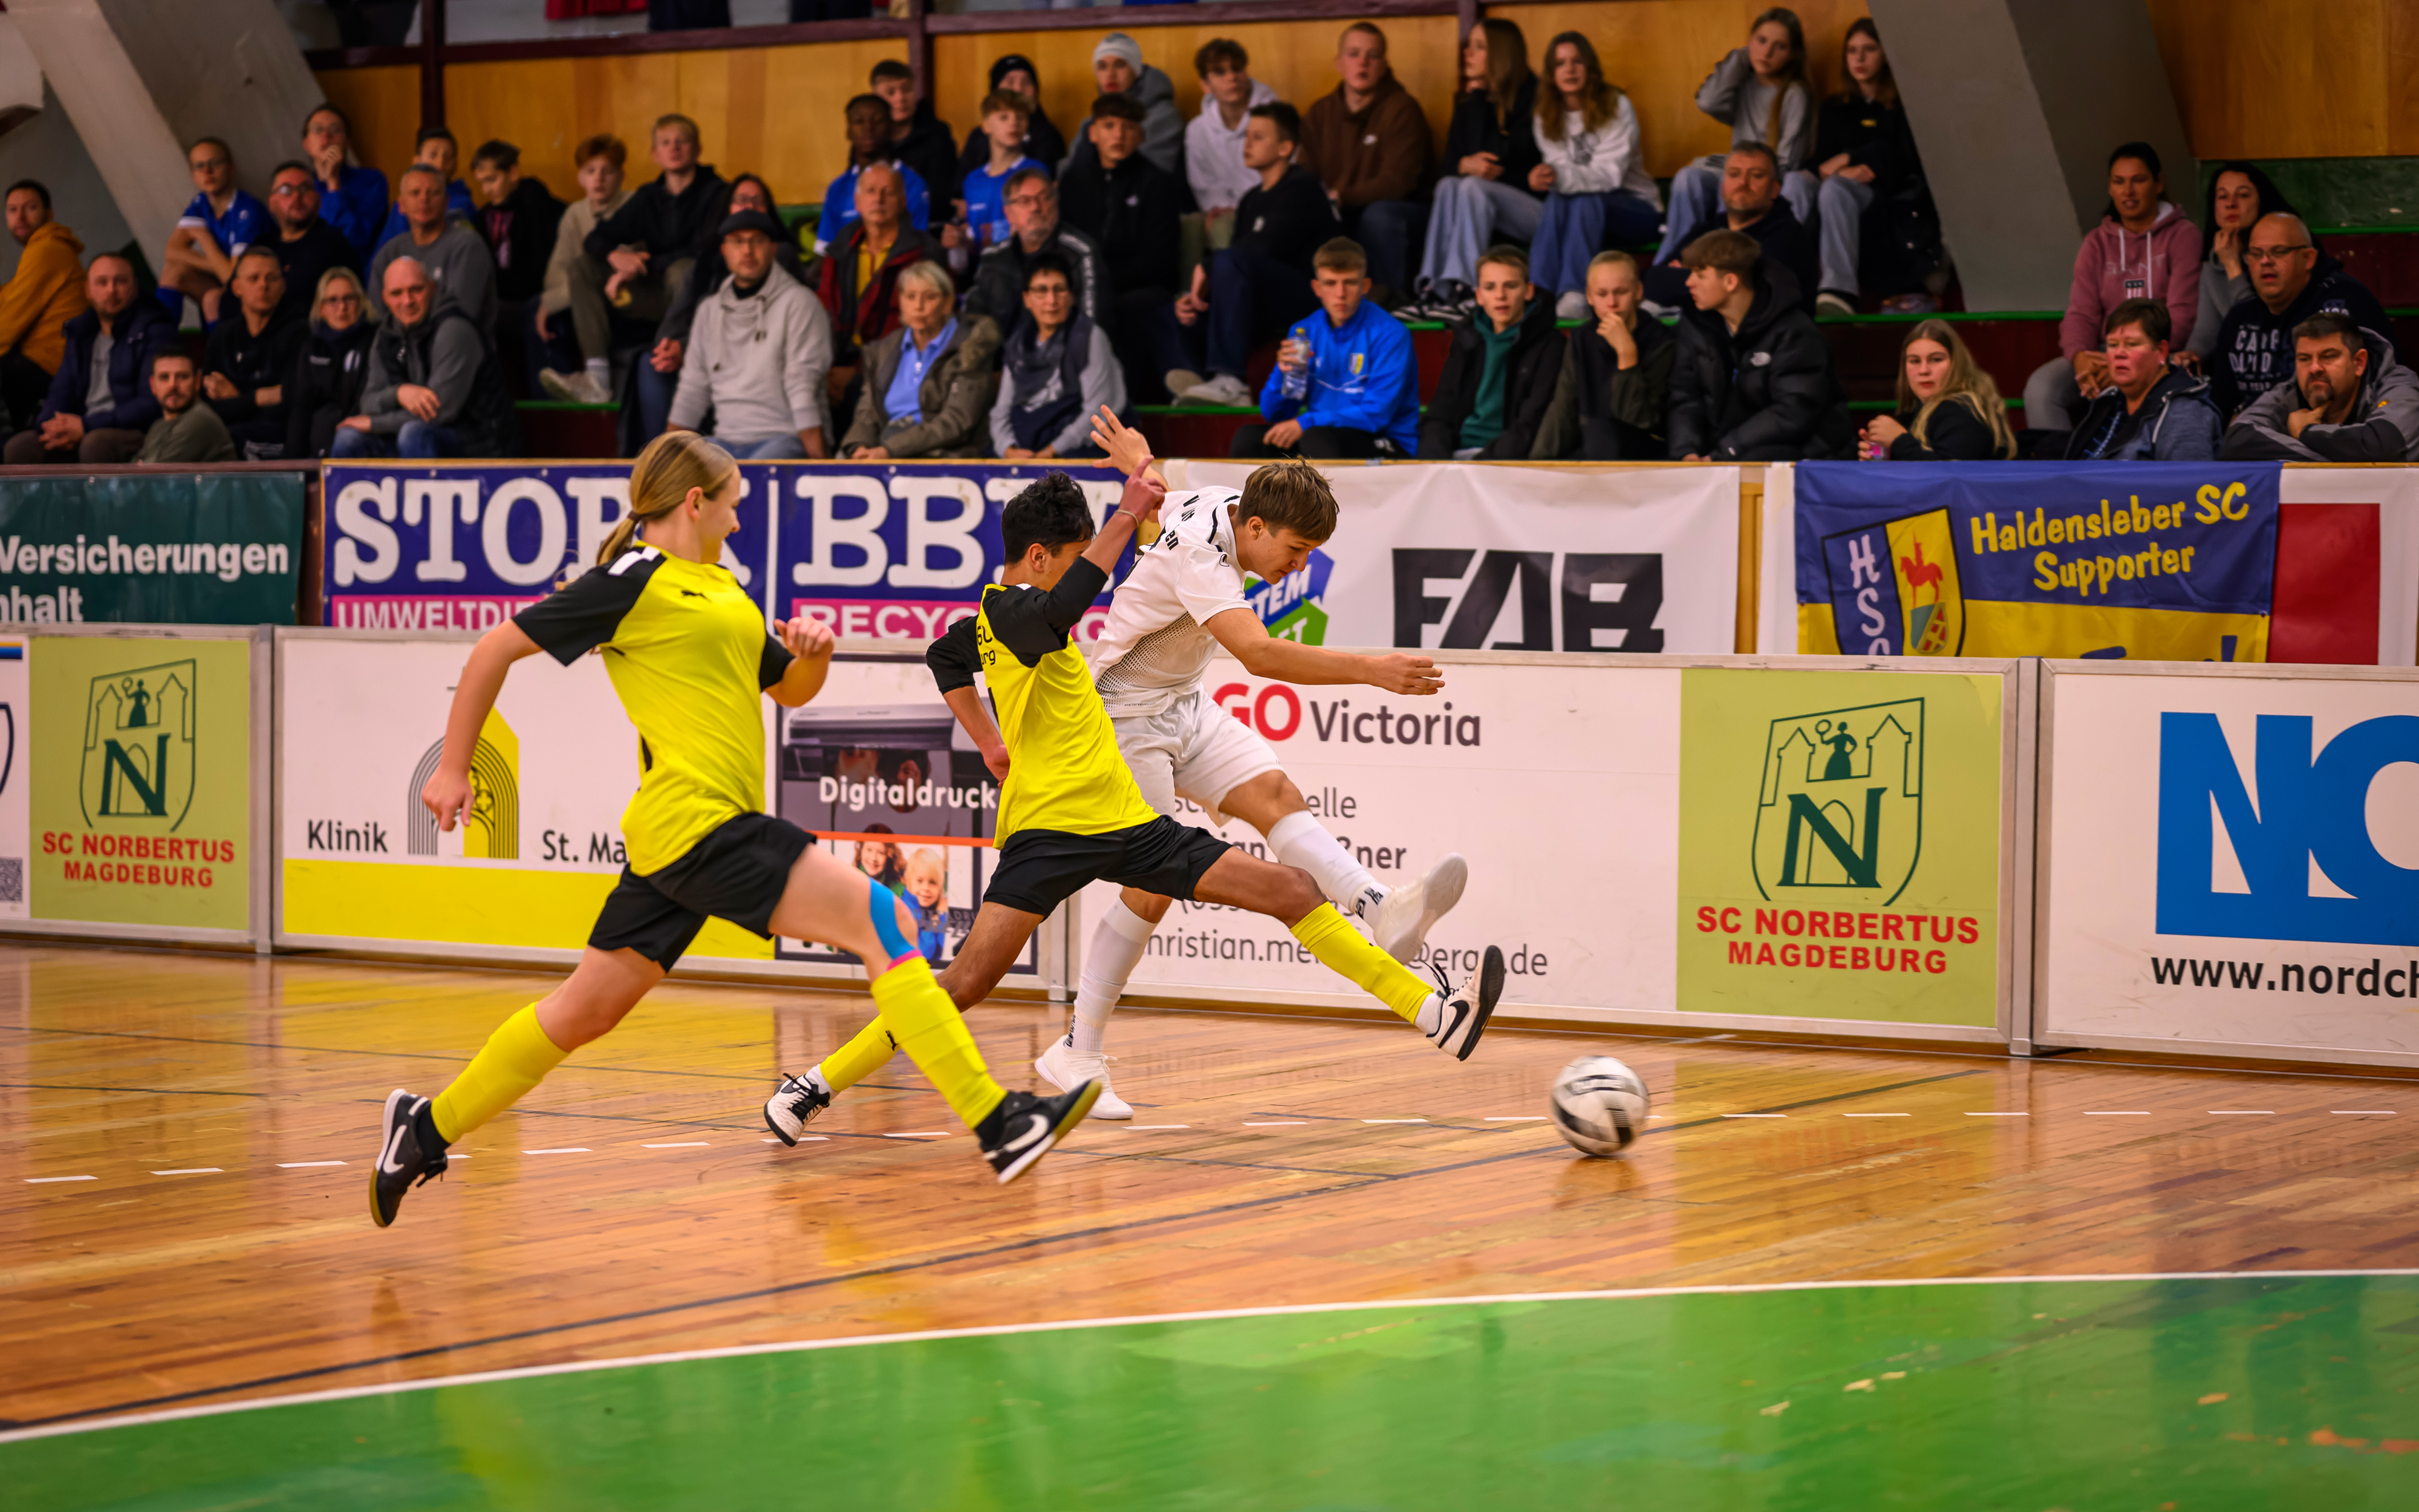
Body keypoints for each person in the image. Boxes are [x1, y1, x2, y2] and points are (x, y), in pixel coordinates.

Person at [368, 432, 1100, 1227]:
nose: (739, 520)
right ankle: (999, 1122)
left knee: (583, 1013)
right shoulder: (632, 581)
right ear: (695, 502)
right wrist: (451, 769)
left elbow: (789, 690)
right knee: (882, 918)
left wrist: (816, 656)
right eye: (733, 504)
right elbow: (492, 653)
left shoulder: (722, 588)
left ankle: (425, 1126)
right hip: (699, 822)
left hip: (679, 839)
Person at [764, 457, 1499, 1137]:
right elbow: (1060, 610)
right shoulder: (1015, 610)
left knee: (1290, 887)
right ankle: (814, 1083)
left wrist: (987, 738)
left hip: (1119, 822)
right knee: (965, 980)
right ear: (1043, 558)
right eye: (1075, 556)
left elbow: (944, 655)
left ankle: (1432, 1012)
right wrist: (1121, 520)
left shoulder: (984, 628)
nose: (1089, 574)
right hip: (1054, 829)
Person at [2020, 143, 2202, 436]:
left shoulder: (2184, 236)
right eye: (2119, 182)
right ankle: (2058, 475)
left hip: (2157, 353)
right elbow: (2080, 312)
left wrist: (2128, 357)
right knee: (2042, 388)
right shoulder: (2096, 242)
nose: (2128, 191)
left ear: (2159, 183)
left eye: (2138, 180)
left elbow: (2181, 315)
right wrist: (2080, 356)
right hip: (2102, 352)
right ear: (2110, 188)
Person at [1171, 103, 1339, 409]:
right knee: (1177, 309)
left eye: (1259, 137)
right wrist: (1195, 297)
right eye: (1247, 136)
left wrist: (1207, 266)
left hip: (1306, 298)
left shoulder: (1303, 189)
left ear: (1285, 148)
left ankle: (1232, 382)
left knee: (1228, 261)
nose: (1247, 144)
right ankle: (1195, 378)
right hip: (1259, 299)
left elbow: (1264, 248)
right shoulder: (1250, 200)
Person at [556, 114, 731, 404]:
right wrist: (616, 258)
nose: (674, 148)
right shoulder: (649, 196)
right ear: (655, 154)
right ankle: (597, 378)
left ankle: (670, 359)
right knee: (582, 267)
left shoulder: (717, 192)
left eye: (682, 141)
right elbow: (596, 238)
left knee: (682, 271)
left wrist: (638, 267)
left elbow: (705, 253)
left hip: (699, 295)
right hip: (653, 294)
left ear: (698, 149)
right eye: (665, 143)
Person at [639, 174, 804, 443]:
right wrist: (672, 347)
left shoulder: (777, 254)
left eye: (756, 201)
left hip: (751, 361)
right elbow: (674, 321)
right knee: (652, 363)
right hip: (698, 353)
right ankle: (659, 457)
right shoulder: (705, 259)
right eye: (740, 201)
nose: (748, 207)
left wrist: (688, 350)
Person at [662, 209, 832, 461]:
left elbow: (802, 384)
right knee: (684, 470)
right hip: (723, 441)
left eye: (757, 240)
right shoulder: (709, 310)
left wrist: (818, 461)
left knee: (753, 478)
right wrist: (665, 458)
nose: (748, 250)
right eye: (738, 241)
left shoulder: (800, 303)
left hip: (785, 438)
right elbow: (692, 389)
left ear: (773, 248)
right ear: (725, 250)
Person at [1666, 229, 1850, 461]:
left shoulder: (1794, 331)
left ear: (1730, 282)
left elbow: (1794, 410)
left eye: (1700, 275)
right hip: (1724, 454)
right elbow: (1685, 397)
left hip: (1806, 452)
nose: (1689, 282)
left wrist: (1726, 452)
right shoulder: (1695, 327)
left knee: (1760, 459)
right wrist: (1687, 452)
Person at [1653, 8, 1818, 265]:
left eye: (1780, 46)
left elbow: (1786, 163)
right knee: (1689, 178)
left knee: (1735, 182)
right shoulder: (1743, 83)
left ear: (1793, 54)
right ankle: (1670, 265)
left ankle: (1726, 264)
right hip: (1737, 168)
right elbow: (1707, 101)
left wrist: (1710, 164)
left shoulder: (1795, 93)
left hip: (1770, 179)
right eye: (1761, 41)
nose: (1767, 53)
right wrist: (1741, 58)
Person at [1232, 237, 1415, 460]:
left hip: (1385, 440)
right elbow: (1276, 413)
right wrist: (1284, 374)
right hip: (1320, 435)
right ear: (1317, 288)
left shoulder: (1391, 334)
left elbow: (1376, 414)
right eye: (1331, 283)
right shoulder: (1304, 331)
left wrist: (1307, 421)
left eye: (1349, 282)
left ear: (1365, 286)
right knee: (1248, 439)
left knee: (1317, 439)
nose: (1340, 293)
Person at [1526, 31, 1664, 323]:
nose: (1570, 69)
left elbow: (1610, 176)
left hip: (1637, 211)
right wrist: (1546, 176)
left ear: (1590, 67)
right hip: (1580, 215)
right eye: (1560, 63)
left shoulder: (1617, 105)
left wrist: (1558, 176)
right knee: (1561, 198)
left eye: (1577, 61)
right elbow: (1562, 174)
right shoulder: (1545, 115)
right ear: (1552, 74)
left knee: (1582, 197)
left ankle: (1574, 292)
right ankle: (1541, 293)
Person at [2209, 212, 2395, 423]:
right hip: (2256, 445)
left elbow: (2383, 388)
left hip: (2338, 443)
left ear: (2308, 258)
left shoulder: (2347, 301)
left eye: (2278, 252)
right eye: (2256, 253)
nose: (2265, 261)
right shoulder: (2239, 318)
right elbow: (2221, 408)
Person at [1060, 93, 1182, 403]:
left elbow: (1159, 260)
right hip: (1079, 286)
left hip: (1138, 290)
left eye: (1128, 127)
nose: (1119, 134)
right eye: (1109, 125)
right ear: (1092, 133)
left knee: (1126, 313)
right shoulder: (1073, 182)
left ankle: (1124, 409)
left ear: (1141, 135)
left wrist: (1104, 284)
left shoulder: (1158, 184)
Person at [334, 256, 519, 459]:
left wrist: (374, 424)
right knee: (348, 439)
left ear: (432, 288)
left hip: (481, 442)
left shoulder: (454, 329)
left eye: (416, 290)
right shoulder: (386, 335)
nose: (407, 301)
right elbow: (369, 402)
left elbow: (439, 412)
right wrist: (399, 394)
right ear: (385, 298)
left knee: (414, 434)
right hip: (416, 434)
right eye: (397, 293)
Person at [1415, 18, 1541, 316]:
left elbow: (1500, 159)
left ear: (1501, 55)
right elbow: (1447, 168)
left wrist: (1479, 168)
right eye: (1469, 46)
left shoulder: (1536, 98)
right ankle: (1434, 288)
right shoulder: (1472, 103)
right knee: (1450, 185)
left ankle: (1466, 287)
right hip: (1486, 207)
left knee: (1471, 185)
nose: (1467, 54)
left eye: (1479, 47)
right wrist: (1463, 162)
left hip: (1539, 211)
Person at [1300, 23, 1431, 307]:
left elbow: (1398, 182)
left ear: (1384, 66)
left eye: (1373, 55)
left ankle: (1390, 303)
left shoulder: (1403, 109)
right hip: (1340, 210)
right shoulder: (1320, 112)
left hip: (1400, 212)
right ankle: (1313, 307)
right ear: (1339, 63)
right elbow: (1304, 176)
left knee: (1379, 215)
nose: (1363, 62)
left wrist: (1341, 197)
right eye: (1354, 54)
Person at [1805, 18, 1926, 317]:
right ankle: (1787, 281)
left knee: (1835, 189)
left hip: (1878, 194)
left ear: (1885, 53)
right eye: (1852, 51)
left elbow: (1904, 159)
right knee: (1796, 182)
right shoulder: (1836, 106)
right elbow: (1821, 162)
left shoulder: (1901, 104)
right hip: (1836, 187)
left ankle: (1839, 290)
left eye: (1869, 49)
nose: (1859, 59)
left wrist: (1854, 158)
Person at [4, 255, 176, 466]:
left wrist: (86, 425)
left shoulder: (155, 331)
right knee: (19, 447)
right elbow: (60, 391)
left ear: (135, 287)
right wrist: (53, 426)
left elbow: (151, 403)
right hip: (81, 426)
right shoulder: (80, 332)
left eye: (121, 281)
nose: (112, 290)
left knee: (95, 444)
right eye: (102, 282)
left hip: (132, 430)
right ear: (88, 290)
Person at [841, 261, 998, 460]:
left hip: (941, 454)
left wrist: (890, 450)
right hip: (884, 448)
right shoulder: (885, 350)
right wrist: (859, 447)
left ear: (947, 303)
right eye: (910, 297)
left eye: (930, 297)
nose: (919, 306)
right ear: (901, 301)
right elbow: (868, 411)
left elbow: (957, 420)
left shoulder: (971, 347)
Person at [1421, 244, 1560, 460]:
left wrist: (1481, 465)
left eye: (1511, 286)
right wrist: (1435, 461)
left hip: (1509, 461)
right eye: (1490, 287)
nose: (1500, 296)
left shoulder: (1551, 345)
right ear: (1479, 296)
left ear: (1528, 291)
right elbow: (1441, 410)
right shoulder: (1467, 340)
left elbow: (1533, 422)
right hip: (1456, 456)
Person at [1534, 250, 1677, 460]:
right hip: (1596, 449)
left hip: (1645, 451)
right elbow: (1563, 409)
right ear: (1590, 297)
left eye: (1621, 292)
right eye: (1602, 294)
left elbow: (1642, 420)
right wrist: (1535, 467)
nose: (1611, 303)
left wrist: (1627, 356)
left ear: (1638, 292)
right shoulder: (1581, 338)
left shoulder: (1662, 342)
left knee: (1600, 431)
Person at [1641, 144, 1815, 316]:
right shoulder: (1709, 229)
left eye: (1756, 176)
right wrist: (1714, 280)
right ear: (1723, 187)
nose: (1743, 183)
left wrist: (1690, 273)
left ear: (1775, 189)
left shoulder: (1789, 236)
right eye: (1734, 174)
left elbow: (1747, 292)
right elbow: (1654, 280)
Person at [816, 161, 941, 398]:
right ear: (857, 201)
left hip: (898, 367)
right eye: (871, 191)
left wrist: (859, 372)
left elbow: (927, 327)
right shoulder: (839, 252)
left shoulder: (925, 253)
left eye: (889, 192)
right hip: (839, 362)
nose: (879, 199)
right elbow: (823, 312)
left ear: (903, 201)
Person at [2223, 313, 2419, 463]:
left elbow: (2382, 444)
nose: (2314, 368)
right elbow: (2239, 438)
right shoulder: (2289, 391)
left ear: (2359, 363)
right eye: (2304, 358)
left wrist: (2304, 432)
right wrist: (2331, 467)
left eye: (2329, 356)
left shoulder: (2398, 385)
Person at [990, 253, 1124, 461]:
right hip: (1027, 449)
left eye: (1059, 290)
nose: (1051, 301)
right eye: (1041, 291)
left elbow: (1098, 410)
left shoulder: (1089, 337)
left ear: (1071, 296)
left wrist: (1054, 450)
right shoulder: (1018, 344)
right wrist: (1008, 449)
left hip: (1073, 448)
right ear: (1027, 299)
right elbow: (1001, 411)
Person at [2056, 299, 2219, 462]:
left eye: (2132, 344)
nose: (2119, 353)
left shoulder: (2186, 414)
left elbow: (2188, 483)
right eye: (2112, 345)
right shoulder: (2109, 401)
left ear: (2162, 352)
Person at [534, 134, 633, 397]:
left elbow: (626, 268)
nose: (598, 179)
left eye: (608, 171)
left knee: (572, 284)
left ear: (622, 176)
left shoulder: (634, 205)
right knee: (537, 309)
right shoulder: (575, 213)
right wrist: (553, 301)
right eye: (591, 171)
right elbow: (555, 274)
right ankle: (561, 394)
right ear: (580, 177)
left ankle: (596, 382)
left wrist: (557, 299)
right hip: (584, 298)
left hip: (624, 295)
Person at [470, 139, 566, 388]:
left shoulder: (533, 199)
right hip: (500, 300)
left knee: (536, 312)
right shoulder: (482, 217)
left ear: (513, 172)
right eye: (481, 182)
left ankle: (544, 404)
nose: (486, 190)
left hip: (535, 294)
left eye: (492, 180)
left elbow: (542, 260)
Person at [964, 169, 1105, 334]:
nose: (1036, 207)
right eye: (1025, 201)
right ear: (1009, 214)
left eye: (1044, 197)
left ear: (1056, 202)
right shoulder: (993, 257)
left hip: (1065, 354)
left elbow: (1092, 326)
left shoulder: (1081, 253)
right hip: (1004, 356)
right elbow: (972, 321)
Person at [2184, 163, 2294, 371]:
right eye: (2222, 196)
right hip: (2237, 366)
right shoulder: (2215, 259)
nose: (2231, 204)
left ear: (2262, 200)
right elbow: (2207, 331)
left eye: (2243, 195)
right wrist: (2191, 354)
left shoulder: (2281, 253)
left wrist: (2233, 266)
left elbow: (2258, 327)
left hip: (2279, 362)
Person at [1857, 319, 2016, 461]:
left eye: (1936, 359)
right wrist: (1879, 453)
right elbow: (1915, 462)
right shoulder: (1915, 414)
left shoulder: (1962, 410)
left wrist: (1898, 440)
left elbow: (1948, 476)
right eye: (1915, 361)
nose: (1924, 370)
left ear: (1956, 364)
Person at [368, 164, 499, 334]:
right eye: (415, 193)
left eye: (434, 193)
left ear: (446, 202)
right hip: (401, 350)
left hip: (457, 349)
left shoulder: (467, 245)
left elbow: (461, 316)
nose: (424, 199)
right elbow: (377, 316)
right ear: (401, 205)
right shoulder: (389, 253)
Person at [0, 180, 89, 429]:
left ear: (49, 214)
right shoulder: (39, 249)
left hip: (49, 366)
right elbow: (10, 298)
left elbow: (9, 323)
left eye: (30, 208)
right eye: (12, 210)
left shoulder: (47, 248)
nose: (20, 217)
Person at [202, 247, 304, 458]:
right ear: (237, 287)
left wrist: (237, 398)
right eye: (253, 279)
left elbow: (291, 402)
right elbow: (209, 404)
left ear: (283, 285)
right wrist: (260, 397)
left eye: (272, 278)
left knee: (219, 440)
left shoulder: (301, 332)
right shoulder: (223, 334)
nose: (263, 286)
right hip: (229, 430)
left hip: (279, 436)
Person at [161, 137, 270, 325]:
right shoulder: (200, 203)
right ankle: (160, 342)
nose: (207, 172)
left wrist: (204, 239)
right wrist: (220, 266)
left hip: (259, 287)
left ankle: (220, 352)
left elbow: (232, 277)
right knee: (174, 271)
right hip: (228, 278)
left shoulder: (247, 209)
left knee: (213, 299)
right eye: (199, 166)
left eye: (215, 163)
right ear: (193, 176)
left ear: (231, 168)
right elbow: (172, 251)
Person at [1184, 38, 1277, 246]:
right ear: (1204, 85)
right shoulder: (1197, 130)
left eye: (1237, 69)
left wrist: (1246, 208)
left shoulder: (1274, 117)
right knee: (1203, 227)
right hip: (1226, 211)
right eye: (1220, 72)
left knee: (1231, 226)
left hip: (1272, 206)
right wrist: (1224, 208)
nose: (1232, 77)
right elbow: (1205, 187)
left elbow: (1287, 174)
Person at [818, 94, 933, 253]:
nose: (868, 129)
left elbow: (915, 245)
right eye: (859, 122)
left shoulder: (912, 183)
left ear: (891, 129)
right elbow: (825, 249)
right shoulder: (838, 188)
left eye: (878, 121)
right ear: (848, 131)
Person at [285, 266, 377, 459]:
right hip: (317, 445)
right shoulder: (311, 347)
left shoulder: (376, 341)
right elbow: (301, 407)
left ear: (361, 302)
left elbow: (366, 401)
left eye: (349, 299)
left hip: (359, 441)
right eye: (333, 301)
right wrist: (293, 467)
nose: (342, 308)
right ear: (322, 308)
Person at [1063, 33, 1182, 180]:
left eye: (1120, 65)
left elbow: (1152, 178)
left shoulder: (1164, 116)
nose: (1110, 75)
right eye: (1102, 67)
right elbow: (1068, 175)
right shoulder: (1089, 123)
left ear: (1136, 72)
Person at [264, 160, 362, 329]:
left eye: (305, 189)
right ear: (272, 202)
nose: (297, 196)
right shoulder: (263, 245)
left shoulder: (332, 243)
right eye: (286, 190)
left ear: (318, 200)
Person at [957, 54, 1068, 187]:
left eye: (1026, 83)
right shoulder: (978, 137)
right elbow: (960, 189)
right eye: (1010, 83)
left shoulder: (1049, 136)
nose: (1018, 89)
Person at [304, 103, 391, 263]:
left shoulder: (372, 181)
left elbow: (355, 240)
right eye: (317, 130)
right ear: (307, 144)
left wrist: (333, 181)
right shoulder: (302, 187)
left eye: (335, 130)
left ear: (348, 143)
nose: (326, 137)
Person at [871, 57, 960, 207]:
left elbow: (941, 195)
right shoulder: (869, 139)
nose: (901, 98)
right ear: (875, 99)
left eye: (907, 90)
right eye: (890, 92)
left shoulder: (937, 135)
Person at [962, 89, 1043, 252]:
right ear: (985, 126)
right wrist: (961, 240)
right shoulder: (973, 180)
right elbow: (974, 240)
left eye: (1021, 117)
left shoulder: (1034, 172)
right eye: (1004, 117)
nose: (1014, 123)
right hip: (983, 273)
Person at [376, 128, 477, 248]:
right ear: (416, 160)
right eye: (433, 155)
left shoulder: (463, 204)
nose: (440, 164)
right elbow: (386, 249)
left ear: (455, 164)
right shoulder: (404, 204)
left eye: (447, 157)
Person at [135, 351, 235, 463]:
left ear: (197, 381)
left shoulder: (200, 421)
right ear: (152, 385)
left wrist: (143, 466)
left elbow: (152, 476)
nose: (172, 385)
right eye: (164, 377)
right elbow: (132, 470)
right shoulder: (158, 426)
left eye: (183, 377)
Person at [902, 849, 949, 965]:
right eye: (919, 881)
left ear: (940, 888)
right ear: (908, 881)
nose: (926, 888)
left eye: (933, 883)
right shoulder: (905, 910)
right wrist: (939, 917)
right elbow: (925, 954)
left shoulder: (935, 907)